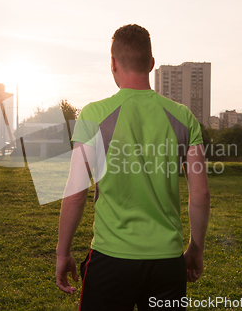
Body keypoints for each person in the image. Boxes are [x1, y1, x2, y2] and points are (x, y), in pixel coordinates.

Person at [56, 24, 210, 311]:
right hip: (167, 263)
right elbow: (201, 194)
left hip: (110, 260)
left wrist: (62, 252)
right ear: (151, 64)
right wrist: (195, 249)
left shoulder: (93, 114)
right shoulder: (183, 117)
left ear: (113, 63)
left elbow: (76, 193)